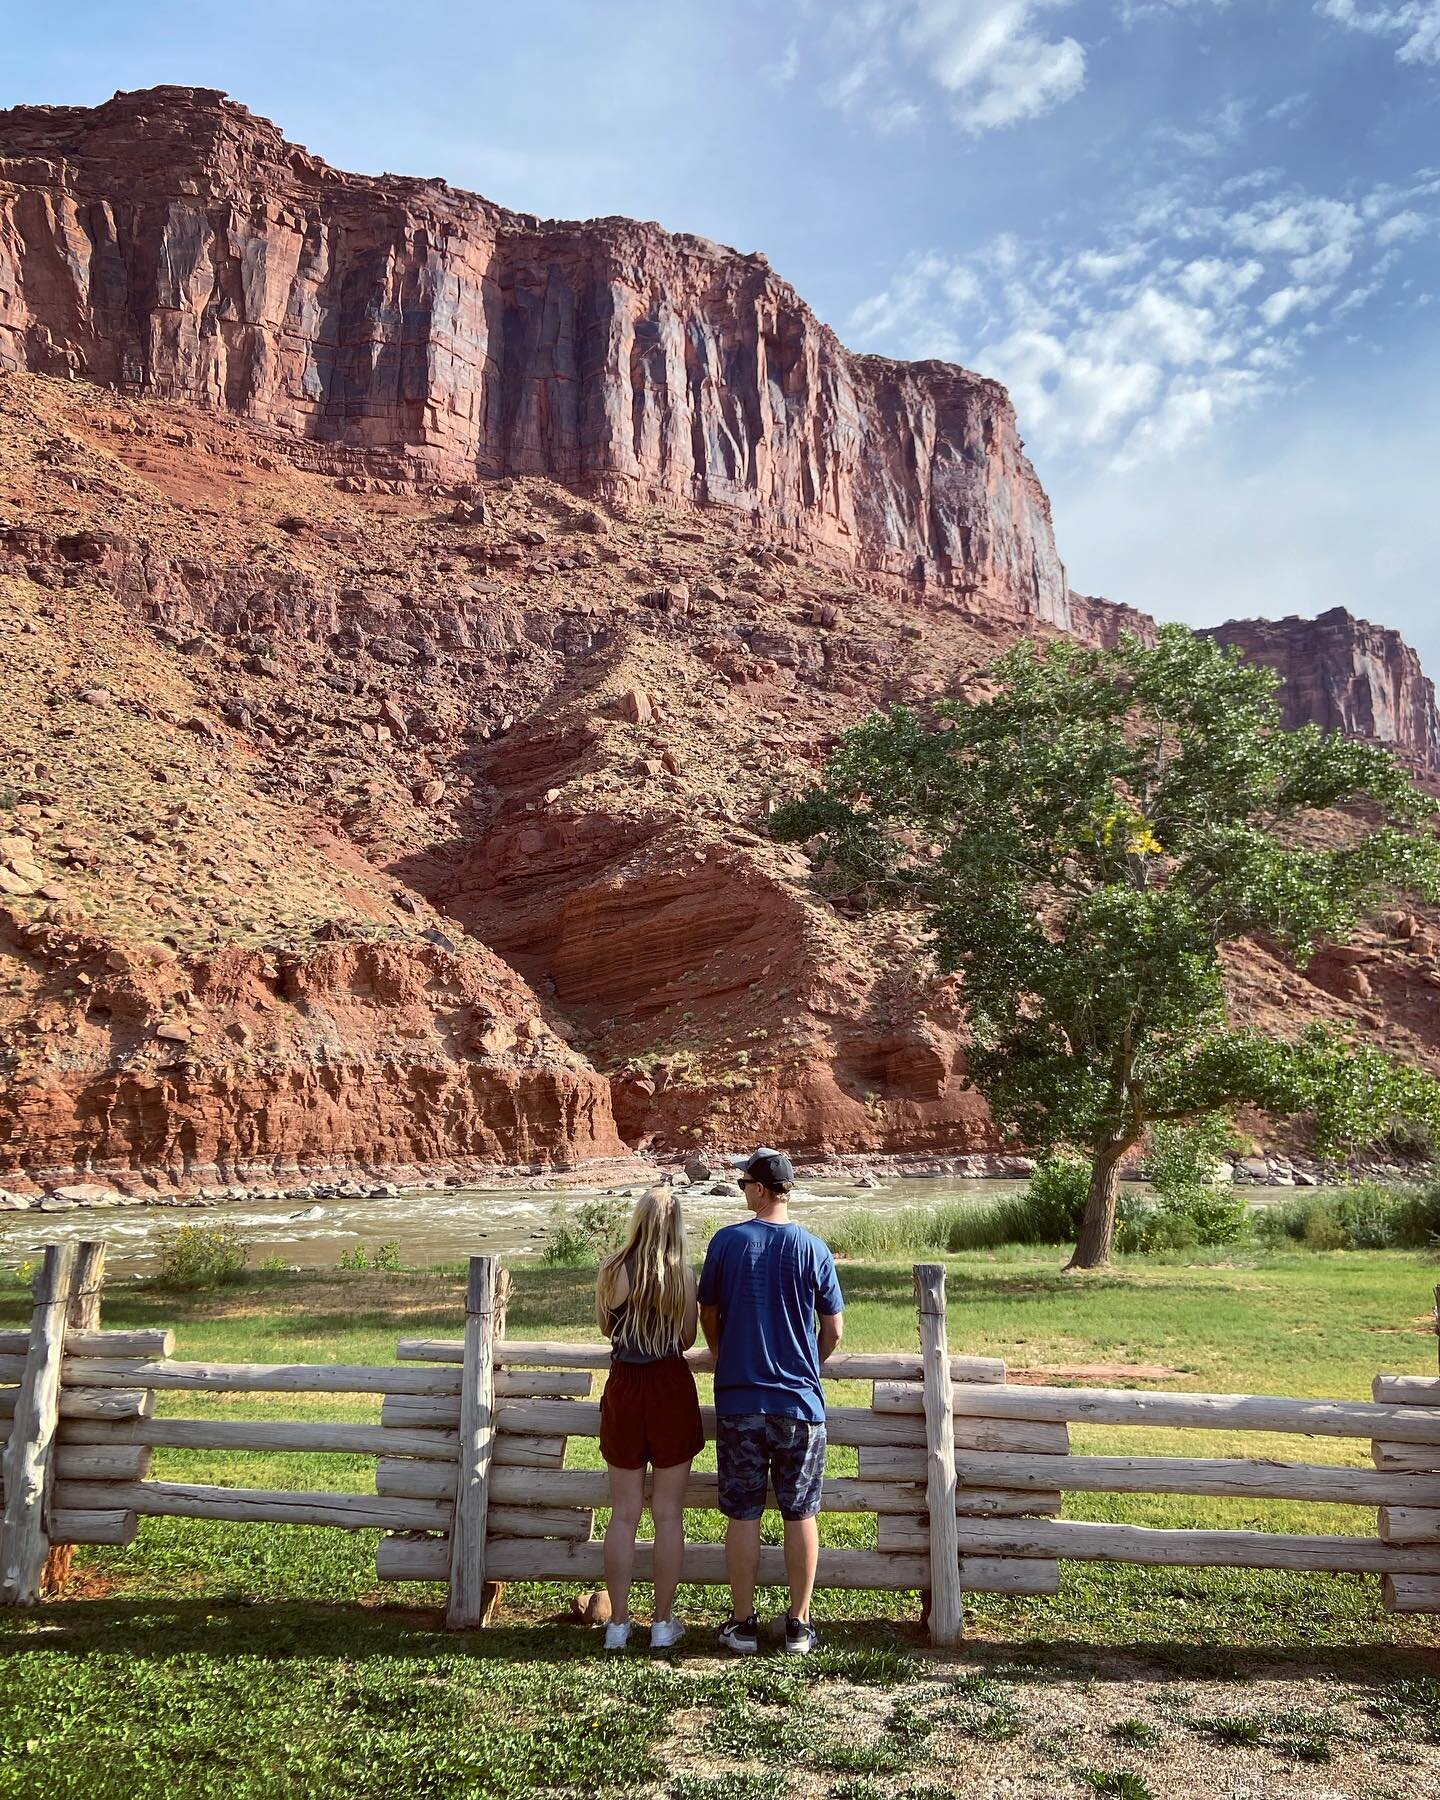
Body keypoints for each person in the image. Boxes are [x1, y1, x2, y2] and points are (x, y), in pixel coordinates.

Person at [698, 1148, 844, 1655]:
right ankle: (799, 1625)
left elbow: (709, 1315)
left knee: (743, 1512)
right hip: (799, 1403)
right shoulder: (814, 1248)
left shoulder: (727, 1243)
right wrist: (809, 1365)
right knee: (800, 1511)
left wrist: (722, 1355)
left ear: (760, 1190)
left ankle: (742, 1623)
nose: (741, 1189)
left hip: (740, 1398)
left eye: (744, 1184)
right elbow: (833, 1329)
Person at [595, 1185, 704, 1651]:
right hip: (669, 1387)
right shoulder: (683, 1276)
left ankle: (618, 1623)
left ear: (638, 1219)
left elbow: (605, 1328)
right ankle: (662, 1622)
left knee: (623, 1515)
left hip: (625, 1387)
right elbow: (685, 1337)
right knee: (668, 1513)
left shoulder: (613, 1269)